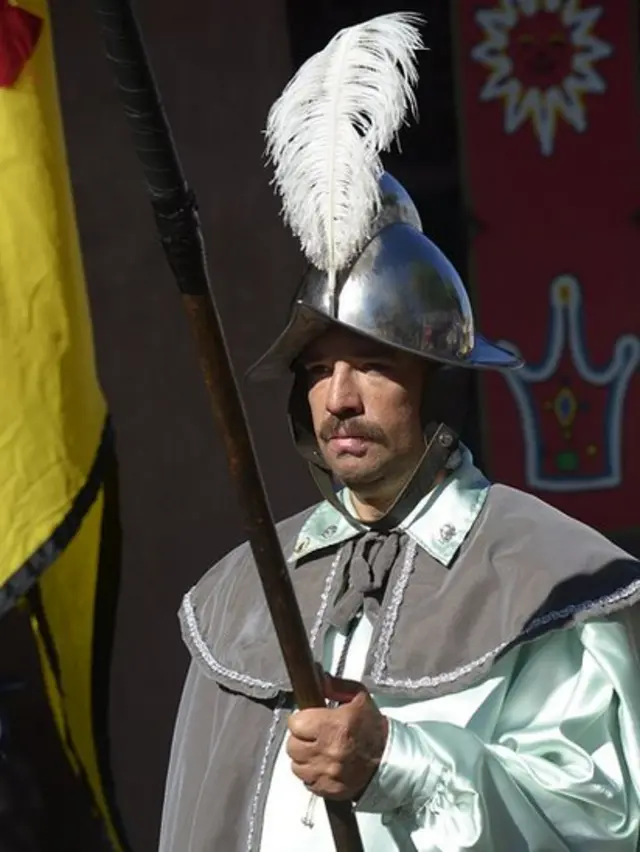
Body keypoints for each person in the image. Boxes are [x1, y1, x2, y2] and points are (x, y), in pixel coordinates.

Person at [158, 12, 640, 852]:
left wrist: (399, 762)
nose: (338, 397)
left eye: (373, 365)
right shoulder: (237, 595)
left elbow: (600, 821)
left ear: (437, 383)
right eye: (316, 371)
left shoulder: (550, 578)